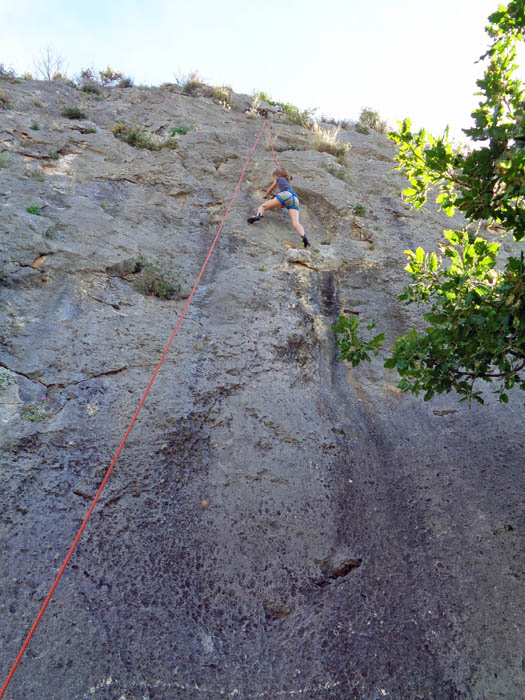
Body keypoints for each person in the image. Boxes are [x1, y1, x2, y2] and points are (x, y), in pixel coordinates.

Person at [247, 168, 310, 248]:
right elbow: (281, 202)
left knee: (262, 206)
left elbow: (271, 188)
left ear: (276, 175)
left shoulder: (278, 178)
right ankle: (303, 236)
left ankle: (258, 216)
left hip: (285, 195)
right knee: (296, 223)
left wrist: (266, 195)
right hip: (295, 199)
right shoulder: (287, 180)